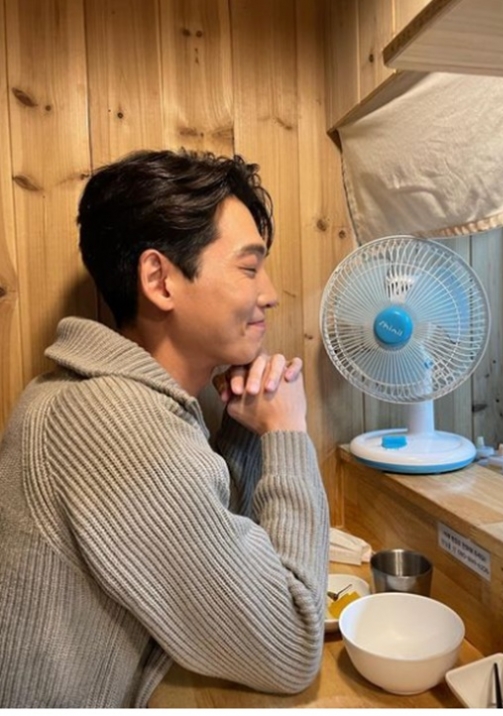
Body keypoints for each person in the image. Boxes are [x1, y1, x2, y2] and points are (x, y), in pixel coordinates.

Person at [0, 149, 330, 708]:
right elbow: (293, 642)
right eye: (249, 268)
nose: (270, 294)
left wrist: (244, 428)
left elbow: (217, 554)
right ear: (159, 279)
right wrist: (287, 432)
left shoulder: (100, 398)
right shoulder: (114, 422)